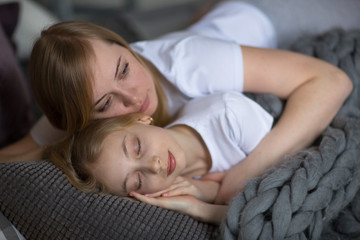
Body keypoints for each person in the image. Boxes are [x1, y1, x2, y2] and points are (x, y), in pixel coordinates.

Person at [0, 1, 353, 204]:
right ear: (79, 122)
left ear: (124, 45)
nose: (136, 98)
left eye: (124, 68)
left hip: (282, 14)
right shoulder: (79, 112)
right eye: (107, 104)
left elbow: (331, 81)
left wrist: (244, 174)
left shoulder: (187, 63)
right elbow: (12, 158)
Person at [44, 91, 274, 225]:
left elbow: (268, 214)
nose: (154, 166)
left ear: (142, 119)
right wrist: (200, 199)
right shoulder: (187, 185)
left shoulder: (229, 118)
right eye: (137, 181)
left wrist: (208, 205)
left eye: (137, 147)